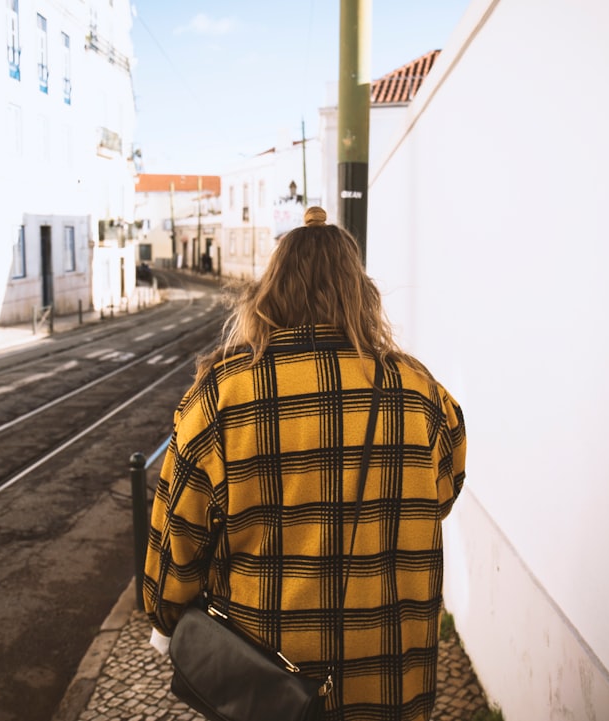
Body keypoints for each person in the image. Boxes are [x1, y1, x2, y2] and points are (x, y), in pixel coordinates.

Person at [144, 206, 466, 721]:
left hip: (266, 681)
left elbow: (178, 533)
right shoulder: (420, 393)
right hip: (389, 676)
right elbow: (443, 493)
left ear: (269, 292)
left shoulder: (224, 396)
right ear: (362, 293)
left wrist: (165, 618)